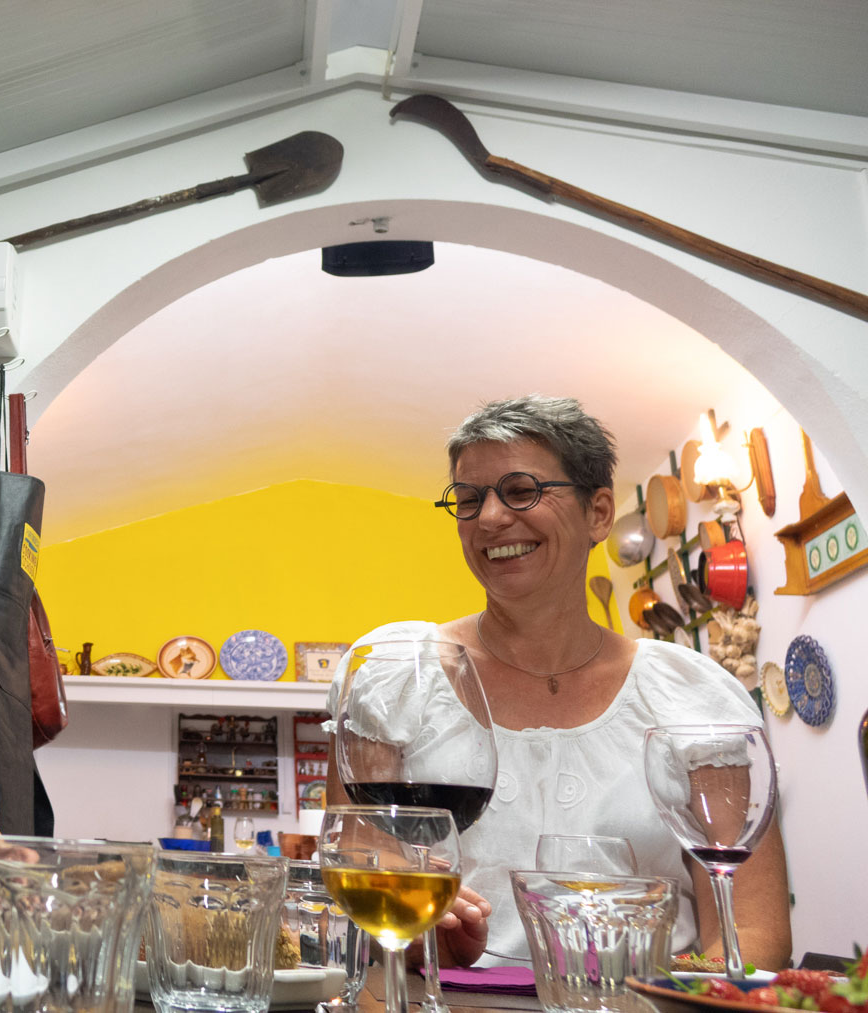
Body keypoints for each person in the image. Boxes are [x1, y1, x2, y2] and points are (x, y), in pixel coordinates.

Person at [328, 395, 791, 969]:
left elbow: (751, 931)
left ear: (598, 513)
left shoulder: (691, 693)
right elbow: (360, 889)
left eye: (521, 490)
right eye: (469, 499)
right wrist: (425, 939)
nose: (490, 518)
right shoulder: (395, 677)